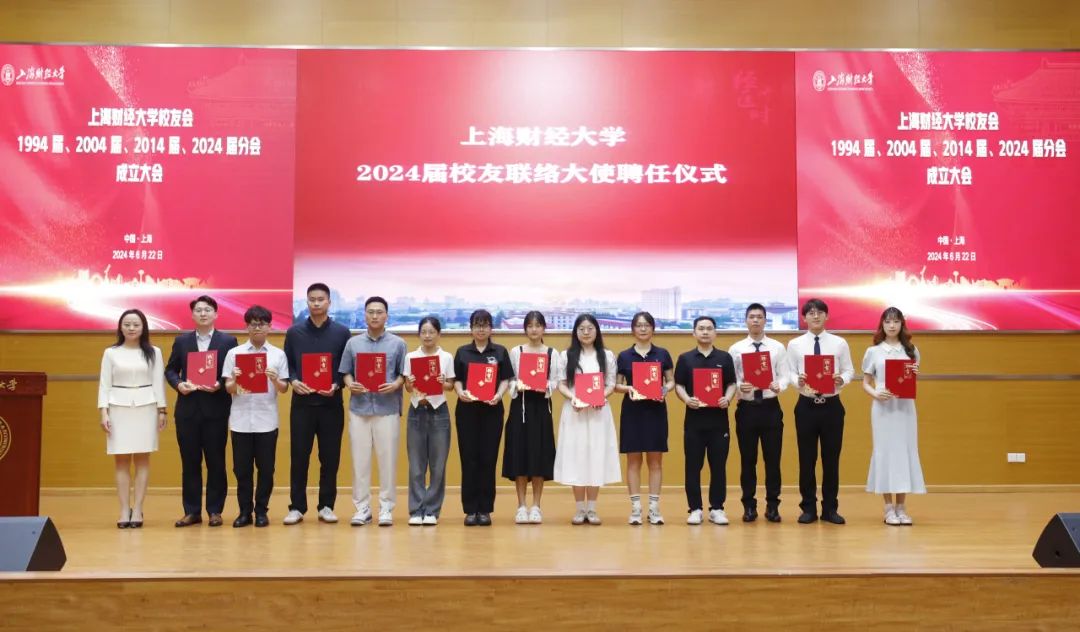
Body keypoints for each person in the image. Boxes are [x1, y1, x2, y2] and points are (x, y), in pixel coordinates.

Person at [164, 295, 238, 528]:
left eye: (207, 310)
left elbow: (233, 372)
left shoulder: (228, 341)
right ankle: (192, 511)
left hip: (216, 410)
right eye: (198, 310)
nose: (203, 313)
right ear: (192, 314)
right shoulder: (182, 341)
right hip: (188, 411)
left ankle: (215, 510)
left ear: (216, 314)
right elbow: (170, 370)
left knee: (216, 462)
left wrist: (219, 384)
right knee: (190, 463)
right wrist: (179, 384)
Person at [282, 283, 352, 526]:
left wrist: (337, 384)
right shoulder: (294, 332)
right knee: (299, 457)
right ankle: (296, 507)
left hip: (331, 404)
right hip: (302, 404)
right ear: (307, 302)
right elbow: (288, 364)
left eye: (321, 299)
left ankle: (326, 506)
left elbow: (346, 367)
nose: (316, 303)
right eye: (312, 299)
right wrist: (293, 381)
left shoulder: (342, 333)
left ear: (329, 302)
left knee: (330, 458)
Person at [786, 298, 855, 525]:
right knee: (806, 459)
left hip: (832, 407)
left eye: (820, 312)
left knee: (831, 460)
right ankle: (808, 508)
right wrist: (798, 380)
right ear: (804, 318)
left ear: (826, 316)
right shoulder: (795, 344)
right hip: (806, 406)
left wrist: (841, 379)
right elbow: (789, 372)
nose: (815, 316)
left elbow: (849, 370)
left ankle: (830, 509)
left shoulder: (839, 343)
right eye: (811, 313)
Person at [340, 296, 407, 527]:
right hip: (359, 409)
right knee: (360, 461)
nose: (375, 316)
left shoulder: (398, 344)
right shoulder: (353, 343)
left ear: (386, 315)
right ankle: (362, 508)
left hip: (387, 408)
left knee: (388, 461)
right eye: (371, 312)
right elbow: (345, 372)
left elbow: (403, 374)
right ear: (365, 315)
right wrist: (351, 384)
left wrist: (395, 384)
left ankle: (386, 507)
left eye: (379, 312)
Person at [98, 309, 167, 528]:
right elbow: (104, 384)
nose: (131, 328)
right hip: (118, 408)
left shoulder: (154, 352)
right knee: (121, 461)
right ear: (120, 327)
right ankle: (123, 509)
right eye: (127, 324)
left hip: (146, 408)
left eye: (136, 324)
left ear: (143, 327)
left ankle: (137, 509)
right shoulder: (111, 353)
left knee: (142, 460)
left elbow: (158, 382)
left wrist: (162, 410)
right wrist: (104, 412)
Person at [222, 305, 289, 528]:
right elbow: (228, 388)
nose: (257, 328)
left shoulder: (278, 354)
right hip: (240, 420)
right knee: (242, 470)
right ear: (246, 327)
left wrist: (274, 379)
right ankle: (244, 512)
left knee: (266, 470)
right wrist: (234, 379)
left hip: (266, 421)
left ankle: (261, 511)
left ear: (269, 327)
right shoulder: (234, 354)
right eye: (253, 324)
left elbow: (284, 389)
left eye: (262, 324)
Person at [553, 314, 621, 525]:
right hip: (575, 412)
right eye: (581, 329)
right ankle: (579, 509)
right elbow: (561, 384)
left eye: (590, 328)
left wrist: (601, 396)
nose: (586, 332)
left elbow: (611, 384)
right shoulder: (566, 355)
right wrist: (573, 397)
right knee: (577, 456)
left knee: (595, 456)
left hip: (598, 412)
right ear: (575, 332)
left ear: (597, 331)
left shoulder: (606, 355)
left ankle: (591, 508)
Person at [862, 307, 926, 526]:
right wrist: (876, 394)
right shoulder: (873, 351)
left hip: (905, 408)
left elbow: (910, 379)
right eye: (888, 321)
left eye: (896, 321)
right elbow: (865, 382)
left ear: (902, 324)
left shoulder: (911, 350)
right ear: (882, 324)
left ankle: (901, 507)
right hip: (883, 409)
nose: (892, 325)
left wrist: (915, 375)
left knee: (904, 452)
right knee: (885, 452)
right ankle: (888, 507)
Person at [674, 316, 736, 526]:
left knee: (718, 466)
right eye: (701, 328)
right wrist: (686, 399)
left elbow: (732, 383)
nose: (705, 332)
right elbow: (679, 385)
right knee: (693, 466)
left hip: (719, 423)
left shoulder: (724, 358)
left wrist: (727, 398)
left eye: (709, 328)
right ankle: (695, 509)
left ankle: (717, 508)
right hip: (694, 422)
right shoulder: (685, 358)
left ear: (715, 333)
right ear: (694, 333)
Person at [728, 303, 787, 523]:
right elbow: (731, 379)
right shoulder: (736, 349)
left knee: (773, 460)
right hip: (747, 409)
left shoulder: (777, 347)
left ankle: (773, 506)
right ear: (746, 320)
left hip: (771, 408)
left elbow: (785, 375)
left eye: (759, 317)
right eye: (751, 317)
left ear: (765, 320)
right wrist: (739, 386)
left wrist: (779, 385)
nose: (755, 320)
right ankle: (749, 506)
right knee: (748, 460)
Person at [453, 309, 513, 526]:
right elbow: (456, 379)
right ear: (471, 328)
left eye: (485, 325)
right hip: (467, 411)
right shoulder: (462, 352)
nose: (481, 329)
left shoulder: (500, 352)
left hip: (492, 410)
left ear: (491, 328)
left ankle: (485, 509)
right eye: (477, 325)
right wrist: (460, 392)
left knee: (488, 459)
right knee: (469, 459)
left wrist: (499, 395)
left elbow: (506, 379)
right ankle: (470, 510)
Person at [614, 311, 674, 526]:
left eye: (646, 325)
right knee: (633, 461)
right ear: (633, 329)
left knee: (655, 461)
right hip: (633, 412)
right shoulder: (624, 356)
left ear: (653, 329)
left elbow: (671, 381)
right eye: (639, 325)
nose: (642, 328)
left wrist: (664, 390)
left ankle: (654, 508)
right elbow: (616, 385)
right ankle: (636, 509)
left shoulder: (663, 354)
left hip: (656, 411)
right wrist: (629, 388)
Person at [502, 311, 558, 525]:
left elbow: (555, 381)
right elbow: (510, 380)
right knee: (520, 456)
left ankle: (536, 506)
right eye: (530, 326)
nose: (534, 329)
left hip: (541, 409)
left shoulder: (552, 353)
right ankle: (521, 506)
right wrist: (518, 385)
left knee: (539, 456)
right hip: (520, 409)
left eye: (538, 325)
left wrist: (544, 385)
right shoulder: (516, 352)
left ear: (544, 328)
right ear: (525, 329)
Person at [402, 316, 455, 526]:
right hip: (417, 410)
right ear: (419, 334)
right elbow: (408, 388)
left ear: (438, 334)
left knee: (438, 465)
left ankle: (432, 510)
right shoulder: (411, 357)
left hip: (439, 411)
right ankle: (416, 510)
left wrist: (443, 382)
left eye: (431, 332)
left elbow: (450, 386)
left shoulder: (446, 357)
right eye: (423, 332)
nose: (427, 336)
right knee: (416, 465)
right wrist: (410, 382)